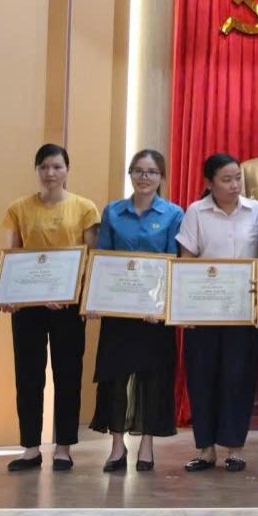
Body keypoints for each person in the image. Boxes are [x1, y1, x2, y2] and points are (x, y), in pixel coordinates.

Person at [0, 144, 101, 472]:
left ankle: (64, 447)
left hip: (68, 307)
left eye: (57, 166)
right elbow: (14, 255)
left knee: (68, 374)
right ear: (37, 170)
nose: (50, 173)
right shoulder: (19, 208)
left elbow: (90, 260)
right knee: (27, 374)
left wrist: (75, 296)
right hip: (28, 307)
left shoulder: (85, 208)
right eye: (44, 167)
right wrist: (10, 294)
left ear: (67, 169)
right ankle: (30, 447)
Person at [89, 149, 184, 473]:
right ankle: (117, 447)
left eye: (152, 172)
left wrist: (162, 306)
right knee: (115, 380)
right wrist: (95, 302)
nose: (145, 177)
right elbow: (101, 260)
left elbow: (174, 264)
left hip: (153, 316)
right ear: (130, 174)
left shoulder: (173, 214)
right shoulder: (113, 212)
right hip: (119, 314)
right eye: (138, 171)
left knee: (152, 380)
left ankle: (147, 445)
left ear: (161, 177)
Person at [177, 153, 258, 473]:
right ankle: (205, 449)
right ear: (209, 183)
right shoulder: (196, 212)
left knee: (238, 379)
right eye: (226, 179)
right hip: (203, 312)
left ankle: (235, 448)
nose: (234, 185)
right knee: (202, 377)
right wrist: (185, 306)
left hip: (242, 313)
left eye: (237, 178)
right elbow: (186, 260)